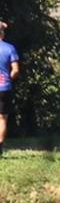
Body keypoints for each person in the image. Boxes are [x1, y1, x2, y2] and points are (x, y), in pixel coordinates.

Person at [0, 20, 17, 155]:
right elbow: (15, 70)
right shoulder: (9, 48)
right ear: (2, 33)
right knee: (2, 118)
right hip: (4, 87)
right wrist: (9, 79)